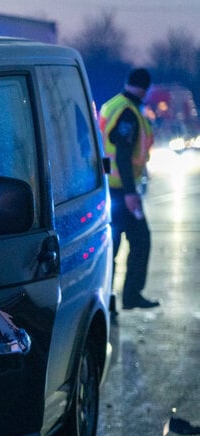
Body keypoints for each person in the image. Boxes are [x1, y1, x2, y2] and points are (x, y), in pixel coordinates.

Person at [99, 68, 159, 310]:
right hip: (122, 191)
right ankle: (131, 295)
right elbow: (123, 153)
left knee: (112, 246)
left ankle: (108, 299)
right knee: (141, 240)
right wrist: (131, 192)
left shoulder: (112, 105)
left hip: (107, 189)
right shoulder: (129, 113)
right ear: (146, 89)